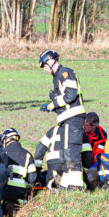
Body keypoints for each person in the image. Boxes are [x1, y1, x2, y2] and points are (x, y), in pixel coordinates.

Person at [38, 49, 86, 190]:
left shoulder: (65, 73)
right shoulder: (57, 76)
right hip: (66, 119)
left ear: (51, 61)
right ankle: (67, 184)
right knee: (67, 152)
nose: (44, 70)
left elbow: (71, 94)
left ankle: (75, 186)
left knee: (72, 152)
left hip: (73, 118)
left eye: (45, 66)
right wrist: (50, 107)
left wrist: (54, 103)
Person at [0, 127, 37, 205]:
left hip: (3, 192)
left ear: (7, 139)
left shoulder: (1, 153)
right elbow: (32, 178)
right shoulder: (27, 154)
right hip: (21, 193)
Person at [34, 125, 64, 189]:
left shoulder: (54, 130)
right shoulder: (78, 130)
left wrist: (37, 169)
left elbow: (39, 150)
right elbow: (87, 156)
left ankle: (52, 184)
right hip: (71, 163)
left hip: (53, 163)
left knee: (50, 182)